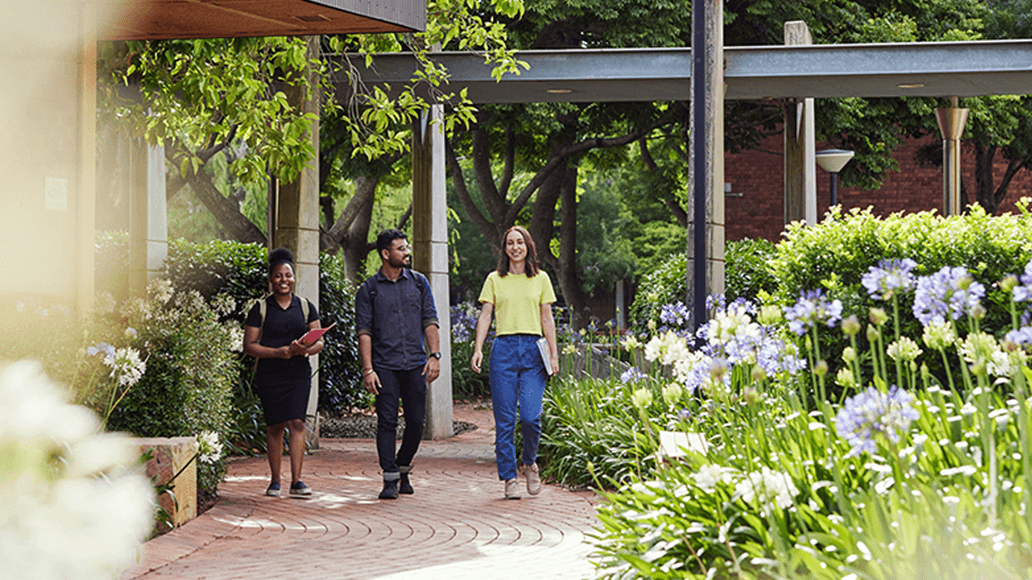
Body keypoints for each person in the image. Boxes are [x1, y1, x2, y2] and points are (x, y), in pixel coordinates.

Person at [471, 226, 559, 499]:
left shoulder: (541, 279)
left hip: (534, 352)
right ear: (505, 248)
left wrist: (554, 355)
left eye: (520, 242)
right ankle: (509, 477)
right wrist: (478, 348)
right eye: (510, 243)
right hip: (503, 351)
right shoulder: (495, 279)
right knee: (505, 420)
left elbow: (547, 319)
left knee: (531, 417)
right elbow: (485, 316)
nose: (515, 247)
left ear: (528, 246)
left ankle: (529, 462)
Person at [355, 229, 441, 500]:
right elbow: (364, 332)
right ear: (385, 254)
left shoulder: (418, 283)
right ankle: (390, 477)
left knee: (416, 422)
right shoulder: (368, 289)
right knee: (387, 422)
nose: (406, 252)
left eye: (406, 247)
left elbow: (430, 319)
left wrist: (435, 355)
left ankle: (403, 466)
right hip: (384, 367)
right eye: (400, 248)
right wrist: (368, 370)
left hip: (416, 364)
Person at [243, 247, 324, 498]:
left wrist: (304, 349)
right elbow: (249, 346)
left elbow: (320, 341)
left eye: (288, 275)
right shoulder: (260, 308)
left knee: (298, 422)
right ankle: (276, 480)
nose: (284, 280)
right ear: (271, 279)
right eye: (278, 276)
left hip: (298, 372)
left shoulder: (306, 306)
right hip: (271, 374)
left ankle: (297, 481)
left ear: (293, 277)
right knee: (276, 426)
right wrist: (278, 352)